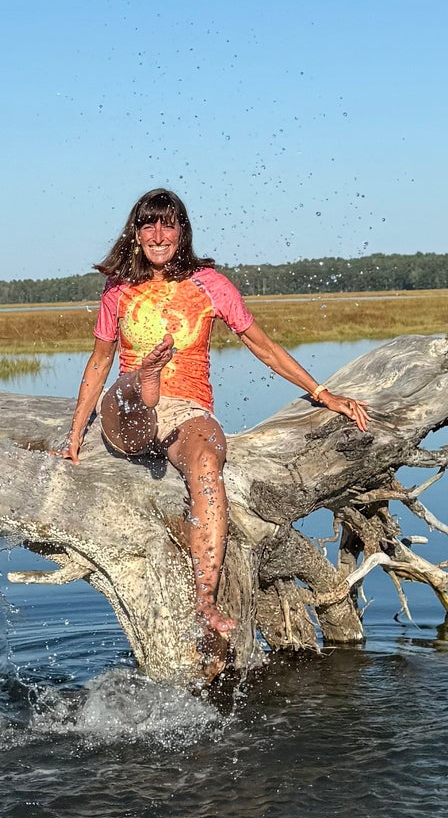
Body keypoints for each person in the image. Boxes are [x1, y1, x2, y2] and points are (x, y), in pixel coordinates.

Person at [57, 188, 371, 636]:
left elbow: (264, 347)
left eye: (168, 225)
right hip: (127, 410)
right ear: (136, 233)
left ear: (182, 232)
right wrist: (74, 435)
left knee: (207, 463)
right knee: (133, 393)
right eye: (149, 225)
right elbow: (100, 361)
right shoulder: (119, 288)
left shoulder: (209, 284)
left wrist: (324, 394)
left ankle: (204, 600)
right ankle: (147, 379)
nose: (158, 235)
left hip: (187, 410)